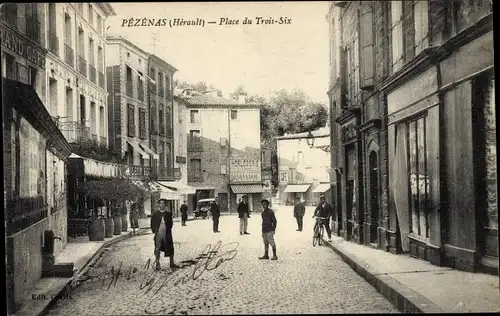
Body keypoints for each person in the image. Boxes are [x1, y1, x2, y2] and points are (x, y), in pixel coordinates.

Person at [151, 198, 178, 270]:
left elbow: (171, 223)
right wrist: (155, 231)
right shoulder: (155, 214)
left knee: (170, 247)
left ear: (165, 205)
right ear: (158, 205)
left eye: (163, 203)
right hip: (158, 233)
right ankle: (157, 263)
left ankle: (171, 263)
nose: (161, 205)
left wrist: (168, 230)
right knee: (157, 248)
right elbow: (152, 223)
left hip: (167, 233)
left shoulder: (168, 214)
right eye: (160, 203)